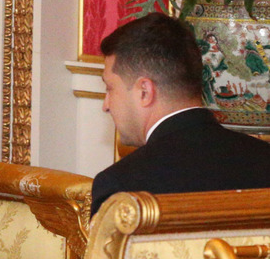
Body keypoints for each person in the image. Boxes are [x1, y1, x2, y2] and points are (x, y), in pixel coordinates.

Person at [91, 12, 270, 216]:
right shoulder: (264, 160)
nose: (106, 105)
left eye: (110, 88)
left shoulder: (122, 186)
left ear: (145, 92)